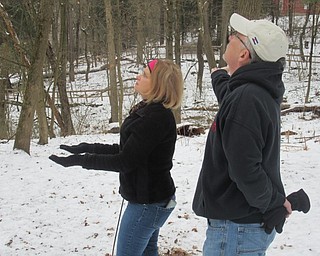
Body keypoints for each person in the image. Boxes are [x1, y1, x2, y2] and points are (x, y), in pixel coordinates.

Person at [192, 13, 310, 255]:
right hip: (238, 229)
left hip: (235, 232)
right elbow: (234, 113)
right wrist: (220, 78)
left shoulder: (246, 99)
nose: (229, 37)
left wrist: (275, 204)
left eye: (235, 36)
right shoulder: (253, 93)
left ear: (244, 54)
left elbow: (245, 170)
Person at [49, 59, 184, 255]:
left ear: (158, 85)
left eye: (145, 75)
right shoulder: (150, 110)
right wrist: (87, 147)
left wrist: (82, 160)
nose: (138, 76)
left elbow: (125, 161)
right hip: (153, 199)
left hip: (148, 204)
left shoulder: (155, 118)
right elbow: (127, 150)